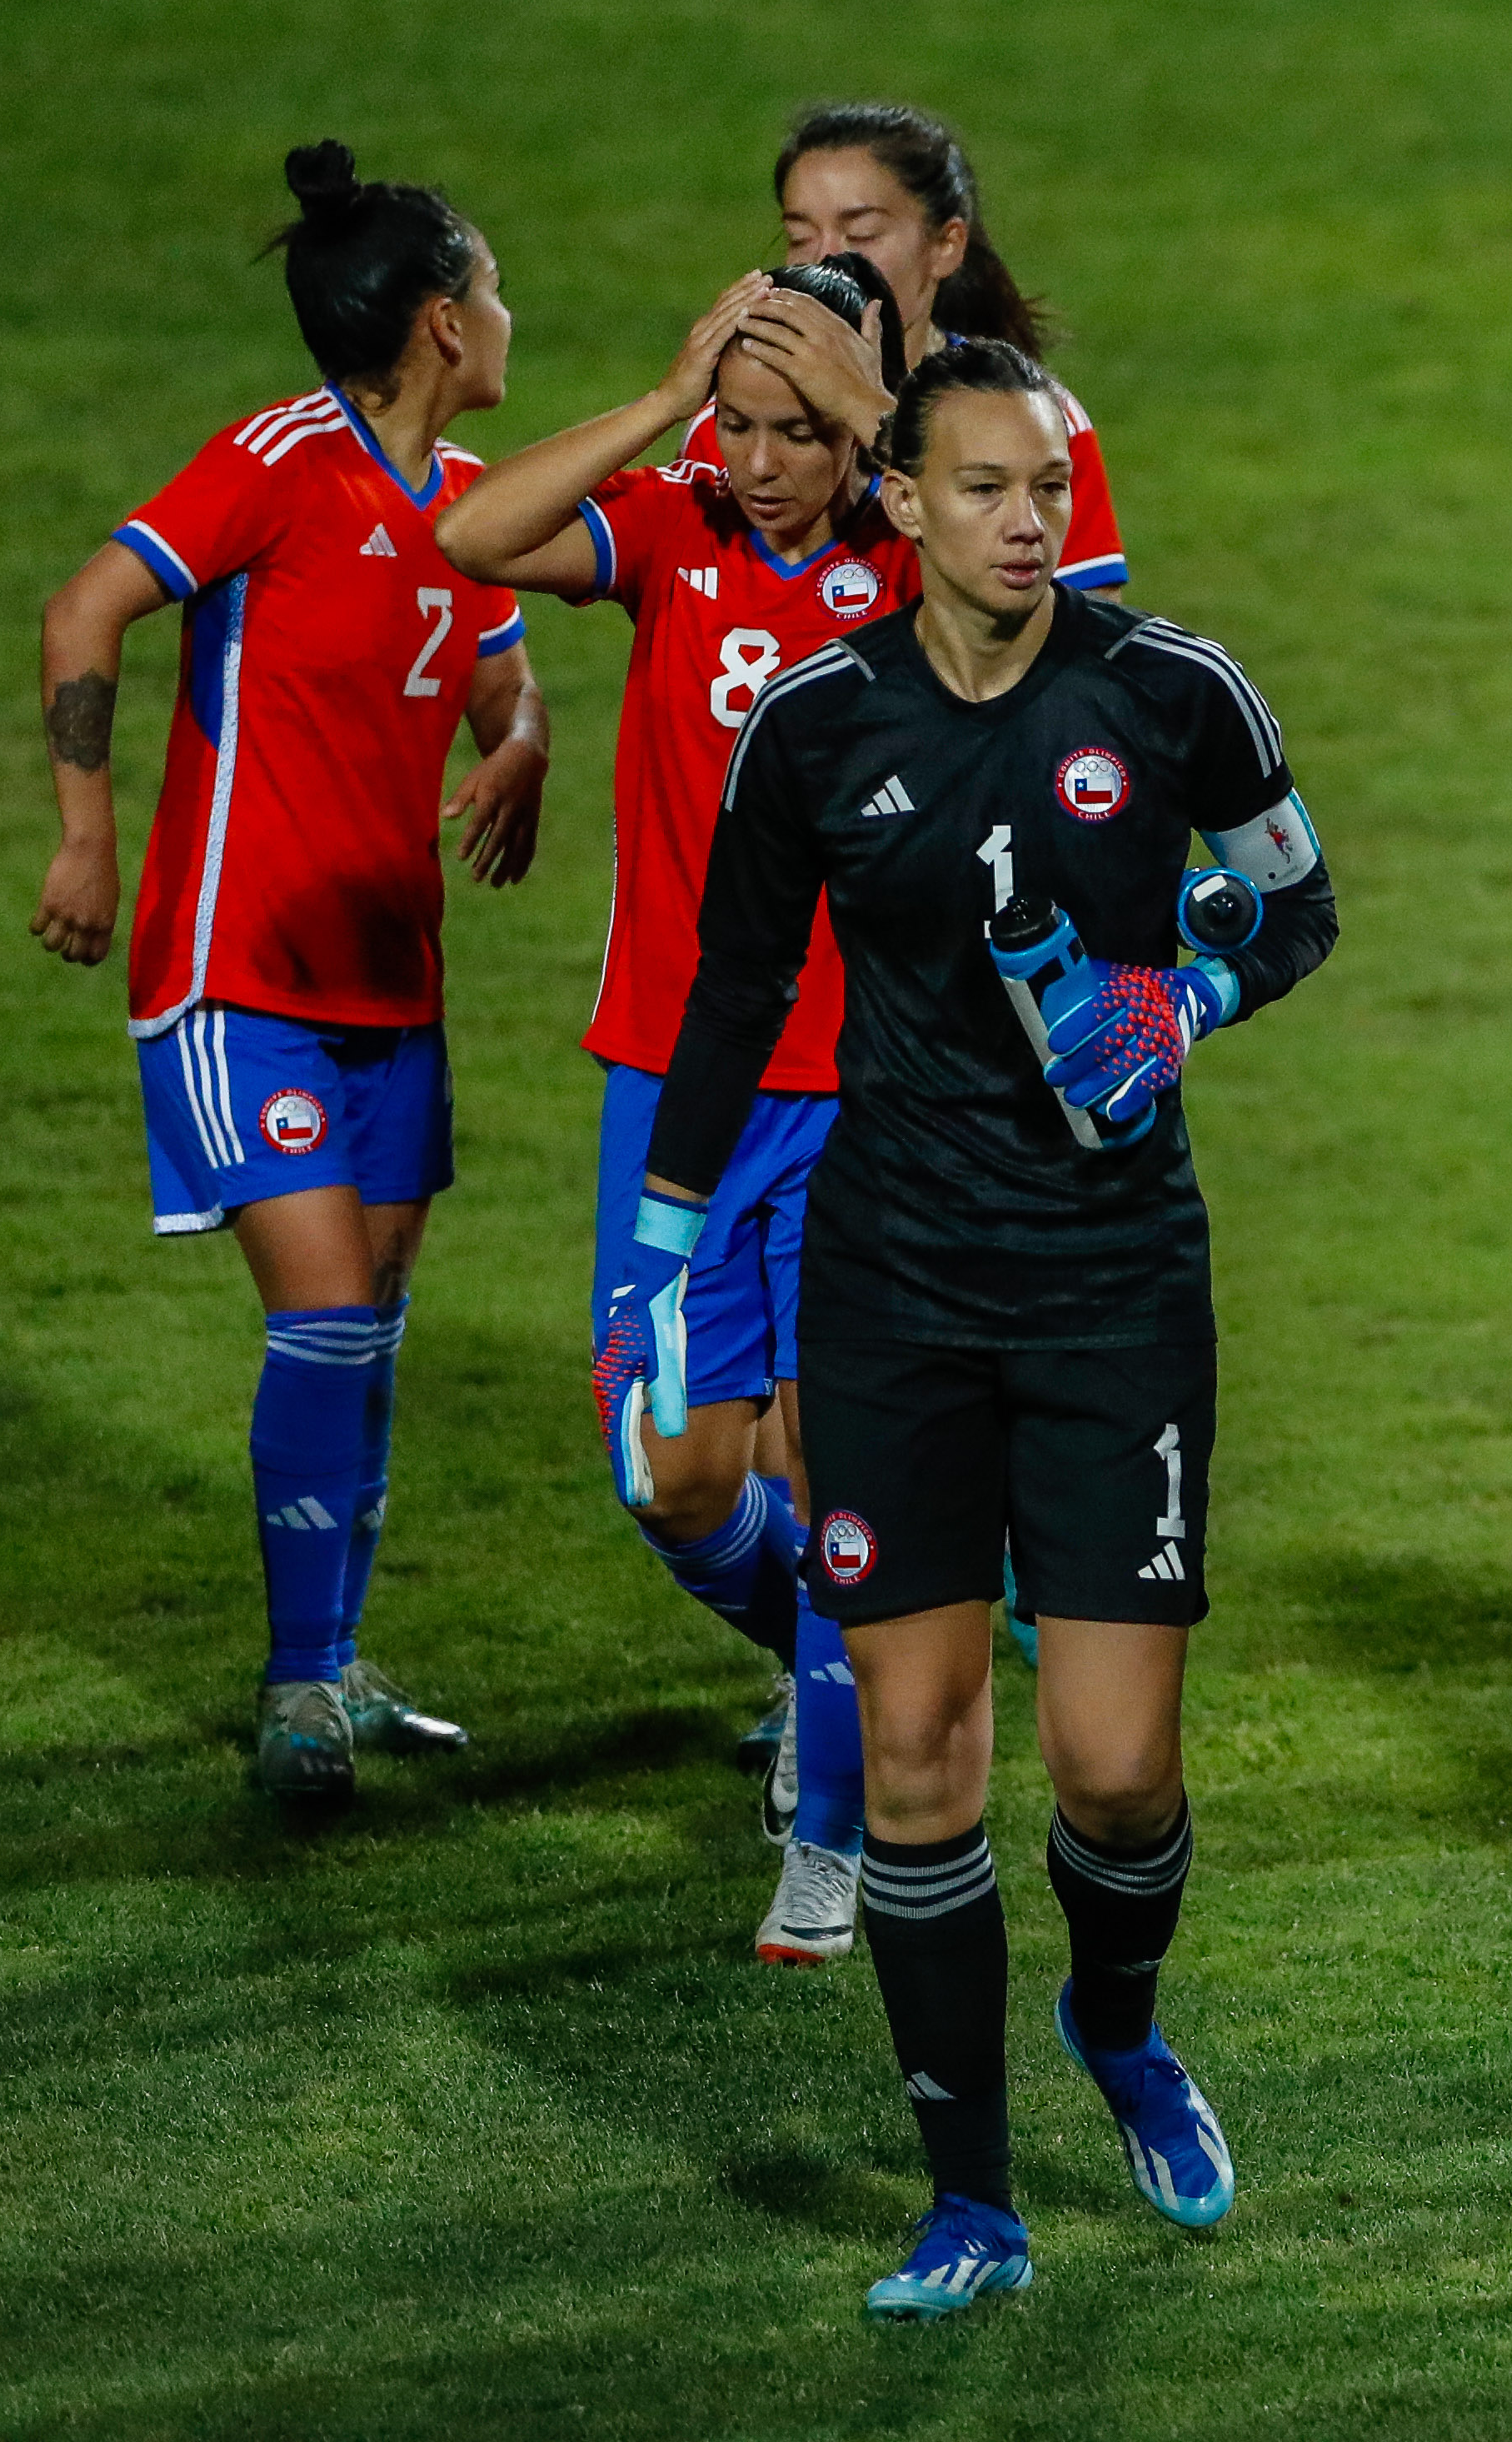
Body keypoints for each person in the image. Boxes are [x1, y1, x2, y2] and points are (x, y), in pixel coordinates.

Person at [616, 343, 1336, 2317]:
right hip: (895, 1294)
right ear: (905, 502)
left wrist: (1183, 998)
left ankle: (1120, 2025)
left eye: (1048, 490)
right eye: (987, 488)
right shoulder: (816, 723)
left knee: (1113, 1773)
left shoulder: (1170, 692)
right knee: (921, 1761)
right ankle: (971, 2206)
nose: (1028, 523)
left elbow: (1295, 903)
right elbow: (734, 988)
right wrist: (661, 1256)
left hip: (1114, 1288)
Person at [32, 143, 549, 1803]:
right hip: (237, 972)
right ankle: (297, 1688)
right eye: (490, 287)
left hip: (394, 992)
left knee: (371, 1321)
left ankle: (334, 1659)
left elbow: (505, 684)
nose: (508, 312)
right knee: (324, 1316)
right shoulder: (279, 461)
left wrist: (524, 747)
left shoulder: (475, 507)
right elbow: (85, 611)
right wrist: (88, 838)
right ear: (438, 322)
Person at [436, 257, 913, 1959]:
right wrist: (662, 399)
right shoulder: (674, 528)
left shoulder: (919, 564)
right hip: (679, 1085)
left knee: (841, 1465)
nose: (762, 462)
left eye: (802, 430)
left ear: (858, 426)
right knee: (669, 1470)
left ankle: (833, 1836)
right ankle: (838, 1659)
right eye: (742, 424)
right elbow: (473, 535)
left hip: (868, 1091)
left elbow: (1062, 602)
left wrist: (883, 424)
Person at [721, 103, 1128, 595]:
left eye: (862, 233)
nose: (826, 259)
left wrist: (857, 403)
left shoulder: (1037, 418)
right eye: (799, 236)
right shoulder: (736, 416)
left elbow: (1087, 625)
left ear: (945, 246)